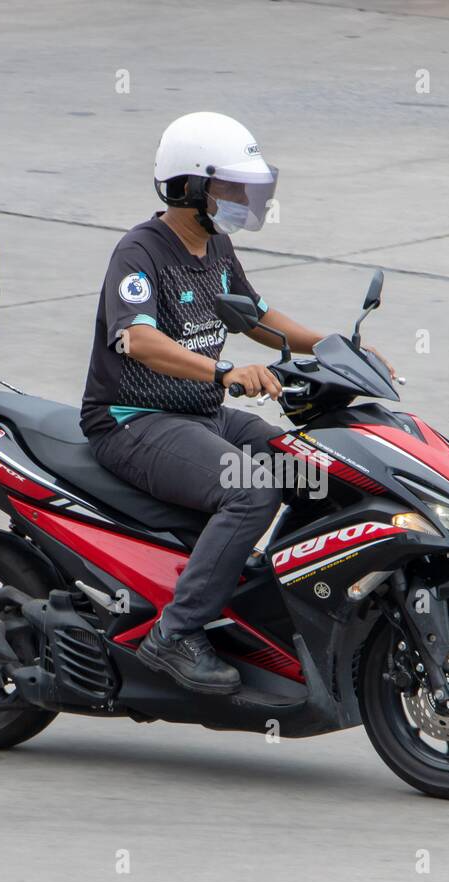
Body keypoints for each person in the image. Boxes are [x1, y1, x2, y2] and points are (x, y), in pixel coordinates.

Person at [80, 112, 390, 695]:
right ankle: (175, 634)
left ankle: (275, 602)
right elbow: (138, 339)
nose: (243, 199)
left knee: (316, 464)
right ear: (189, 187)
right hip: (133, 420)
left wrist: (340, 349)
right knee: (251, 489)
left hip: (199, 410)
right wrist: (223, 371)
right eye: (230, 188)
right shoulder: (140, 252)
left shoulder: (215, 246)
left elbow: (260, 317)